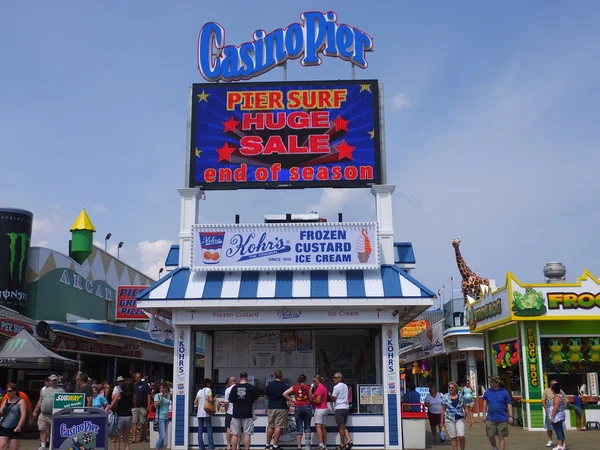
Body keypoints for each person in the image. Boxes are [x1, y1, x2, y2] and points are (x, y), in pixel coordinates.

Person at [32, 374, 64, 450]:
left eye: (55, 380)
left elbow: (64, 402)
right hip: (43, 414)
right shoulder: (44, 390)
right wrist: (35, 411)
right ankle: (43, 445)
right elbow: (40, 401)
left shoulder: (61, 390)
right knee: (42, 429)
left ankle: (52, 445)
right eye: (52, 380)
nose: (54, 382)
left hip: (54, 415)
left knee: (53, 430)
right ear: (49, 381)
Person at [229, 372, 259, 450]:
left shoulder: (234, 387)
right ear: (247, 377)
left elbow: (230, 400)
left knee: (235, 434)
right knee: (247, 434)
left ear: (240, 377)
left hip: (236, 413)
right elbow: (257, 400)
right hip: (247, 413)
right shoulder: (251, 387)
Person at [483, 376, 512, 450]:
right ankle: (494, 447)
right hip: (490, 417)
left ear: (497, 383)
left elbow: (509, 404)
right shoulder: (488, 391)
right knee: (490, 435)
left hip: (502, 418)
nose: (490, 383)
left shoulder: (504, 392)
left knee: (501, 437)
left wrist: (510, 416)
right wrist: (484, 415)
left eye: (492, 382)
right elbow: (485, 403)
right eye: (490, 381)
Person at [284, 374, 312, 450]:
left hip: (298, 407)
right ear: (305, 380)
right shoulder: (308, 388)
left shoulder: (294, 387)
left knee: (299, 428)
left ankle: (299, 447)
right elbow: (310, 399)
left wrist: (291, 399)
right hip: (307, 407)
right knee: (307, 427)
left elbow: (284, 394)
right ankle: (307, 447)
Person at [441, 381, 471, 450]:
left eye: (452, 388)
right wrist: (441, 422)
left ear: (456, 389)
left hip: (460, 417)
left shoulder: (461, 397)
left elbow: (465, 408)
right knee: (453, 438)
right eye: (449, 388)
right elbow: (443, 410)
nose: (451, 389)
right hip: (449, 418)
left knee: (461, 436)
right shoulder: (445, 397)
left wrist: (470, 419)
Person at [265, 370, 289, 450]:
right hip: (281, 407)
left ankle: (267, 445)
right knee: (278, 426)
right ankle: (275, 445)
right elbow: (287, 396)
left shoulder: (269, 385)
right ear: (281, 376)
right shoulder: (284, 385)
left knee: (270, 426)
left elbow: (266, 396)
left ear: (274, 376)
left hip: (271, 407)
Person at [0, 383, 27, 450]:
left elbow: (23, 414)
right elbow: (1, 412)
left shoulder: (21, 401)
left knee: (14, 448)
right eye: (7, 391)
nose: (7, 393)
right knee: (2, 446)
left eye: (9, 391)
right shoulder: (5, 401)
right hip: (4, 425)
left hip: (15, 426)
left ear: (15, 391)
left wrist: (19, 426)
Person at [110, 376, 134, 450]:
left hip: (120, 416)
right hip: (129, 416)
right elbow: (134, 404)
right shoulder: (132, 395)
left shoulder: (119, 394)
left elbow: (111, 405)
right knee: (126, 439)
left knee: (117, 439)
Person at [542, 379, 567, 448]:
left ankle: (560, 444)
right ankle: (553, 441)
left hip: (556, 414)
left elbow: (556, 407)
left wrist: (553, 416)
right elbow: (543, 400)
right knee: (550, 427)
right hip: (551, 412)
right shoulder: (547, 390)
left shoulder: (558, 395)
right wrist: (546, 409)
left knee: (558, 429)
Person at [332, 372, 352, 450]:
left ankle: (342, 444)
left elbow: (333, 398)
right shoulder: (345, 386)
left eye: (335, 377)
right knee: (343, 426)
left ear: (340, 378)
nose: (334, 379)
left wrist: (330, 396)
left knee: (341, 428)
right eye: (333, 377)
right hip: (346, 407)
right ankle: (349, 440)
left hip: (339, 408)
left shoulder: (336, 387)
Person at [194, 378, 215, 450]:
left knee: (200, 430)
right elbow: (211, 399)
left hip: (199, 413)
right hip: (206, 413)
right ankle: (211, 447)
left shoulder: (199, 391)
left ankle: (201, 447)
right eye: (210, 383)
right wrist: (213, 400)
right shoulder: (209, 390)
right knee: (209, 430)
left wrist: (200, 404)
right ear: (207, 383)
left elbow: (195, 402)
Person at [132, 373, 151, 443]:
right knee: (134, 423)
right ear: (135, 378)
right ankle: (134, 438)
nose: (139, 378)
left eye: (140, 377)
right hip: (135, 407)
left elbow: (148, 395)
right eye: (138, 377)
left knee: (143, 423)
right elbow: (133, 395)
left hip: (143, 406)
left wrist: (148, 405)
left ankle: (143, 436)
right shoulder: (133, 385)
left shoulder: (145, 385)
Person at [311, 375, 329, 450]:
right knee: (323, 427)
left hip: (319, 409)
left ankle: (321, 444)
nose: (313, 382)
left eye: (314, 381)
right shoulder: (324, 388)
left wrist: (312, 400)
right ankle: (324, 444)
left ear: (317, 381)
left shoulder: (319, 389)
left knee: (318, 426)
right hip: (325, 408)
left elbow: (318, 401)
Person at [549, 383, 567, 450]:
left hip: (557, 416)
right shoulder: (561, 396)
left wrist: (552, 417)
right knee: (560, 430)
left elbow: (555, 408)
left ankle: (560, 445)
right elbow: (565, 404)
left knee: (558, 430)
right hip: (561, 415)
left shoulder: (556, 397)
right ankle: (562, 444)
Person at [154, 383, 171, 450]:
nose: (162, 389)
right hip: (160, 417)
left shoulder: (168, 396)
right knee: (162, 437)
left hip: (166, 417)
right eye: (161, 388)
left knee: (163, 437)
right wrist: (160, 399)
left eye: (163, 388)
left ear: (166, 388)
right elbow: (155, 405)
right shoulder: (157, 395)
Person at [223, 377, 238, 450]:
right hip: (238, 411)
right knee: (238, 429)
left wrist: (226, 410)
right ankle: (237, 446)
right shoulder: (239, 389)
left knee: (228, 428)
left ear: (229, 382)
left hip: (229, 412)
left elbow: (226, 403)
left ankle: (229, 445)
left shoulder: (227, 390)